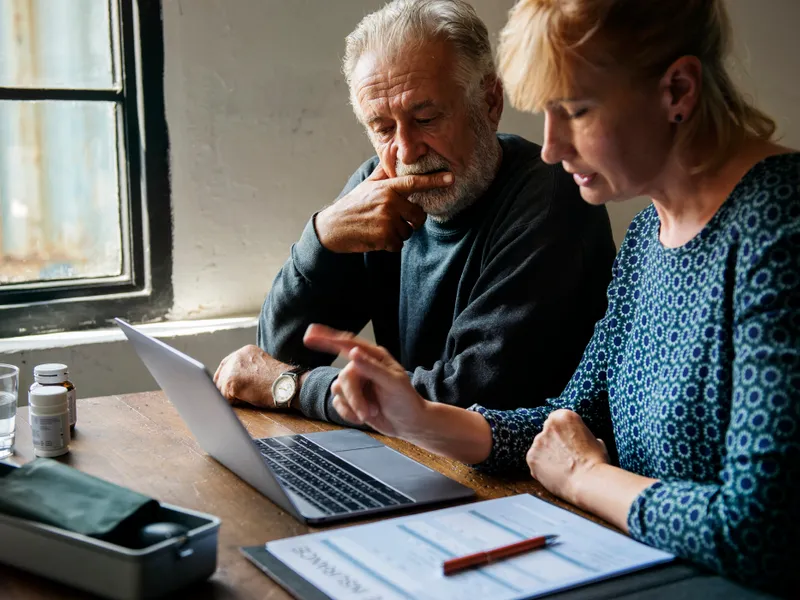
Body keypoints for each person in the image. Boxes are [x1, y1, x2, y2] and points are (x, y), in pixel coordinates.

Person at [304, 0, 800, 593]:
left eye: (576, 111)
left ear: (678, 90)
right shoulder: (649, 234)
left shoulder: (783, 230)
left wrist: (588, 478)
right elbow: (570, 420)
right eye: (545, 113)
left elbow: (761, 531)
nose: (550, 147)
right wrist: (418, 418)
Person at [214, 0, 616, 425]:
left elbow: (465, 400)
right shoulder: (379, 187)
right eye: (383, 128)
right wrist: (322, 236)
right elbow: (279, 351)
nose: (406, 151)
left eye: (425, 118)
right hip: (417, 457)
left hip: (521, 477)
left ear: (490, 102)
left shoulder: (552, 199)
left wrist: (293, 388)